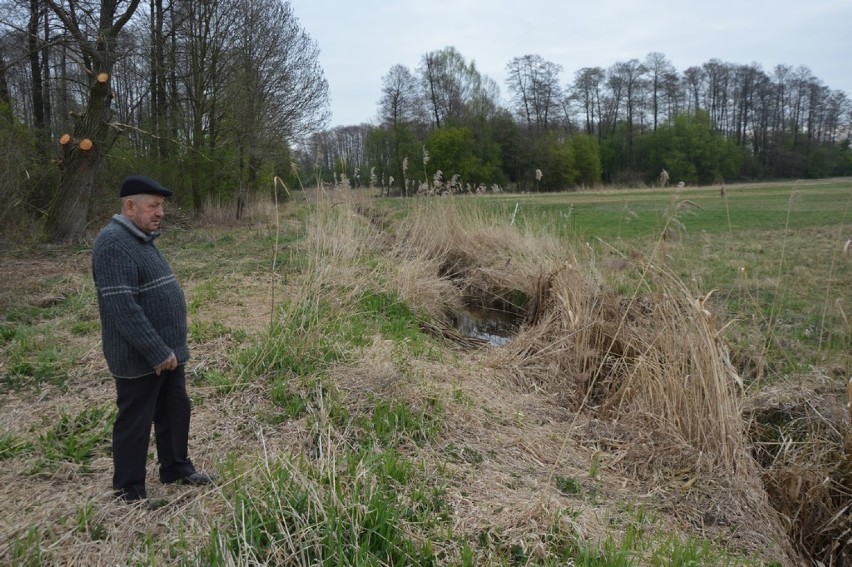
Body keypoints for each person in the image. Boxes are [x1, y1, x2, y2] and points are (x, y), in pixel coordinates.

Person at [92, 174, 210, 502]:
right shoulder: (113, 243)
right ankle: (128, 489)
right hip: (140, 356)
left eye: (162, 206)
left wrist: (169, 349)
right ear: (130, 207)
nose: (160, 212)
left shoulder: (141, 239)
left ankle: (175, 467)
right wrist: (156, 350)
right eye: (153, 206)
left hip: (168, 352)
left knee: (175, 408)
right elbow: (122, 307)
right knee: (135, 420)